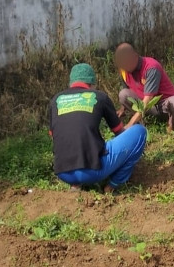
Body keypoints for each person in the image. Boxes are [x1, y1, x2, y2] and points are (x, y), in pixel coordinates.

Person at [49, 63, 147, 193]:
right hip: (93, 172)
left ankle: (76, 185)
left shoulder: (56, 99)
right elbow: (119, 132)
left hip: (63, 173)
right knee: (139, 132)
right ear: (92, 83)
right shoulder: (99, 96)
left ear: (71, 82)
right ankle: (112, 185)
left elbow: (54, 135)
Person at [114, 43, 174, 132]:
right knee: (123, 94)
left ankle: (171, 125)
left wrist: (128, 126)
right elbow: (126, 87)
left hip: (163, 106)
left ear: (135, 56)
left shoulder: (151, 67)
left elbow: (147, 100)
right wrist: (122, 109)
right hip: (146, 107)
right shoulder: (124, 70)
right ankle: (141, 121)